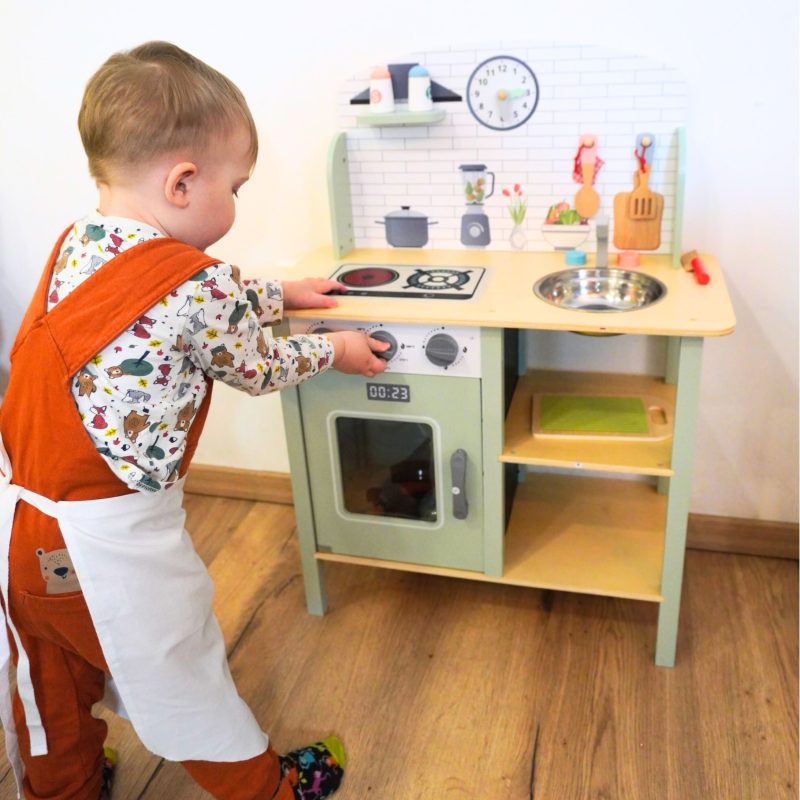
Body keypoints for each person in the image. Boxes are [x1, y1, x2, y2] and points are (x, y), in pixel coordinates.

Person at [0, 40, 388, 800]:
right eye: (235, 186)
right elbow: (254, 361)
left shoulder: (79, 242)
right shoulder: (196, 285)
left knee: (51, 683)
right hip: (109, 546)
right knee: (181, 671)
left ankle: (65, 789)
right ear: (183, 182)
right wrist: (335, 348)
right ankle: (266, 789)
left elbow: (181, 304)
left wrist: (279, 294)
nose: (237, 202)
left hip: (22, 530)